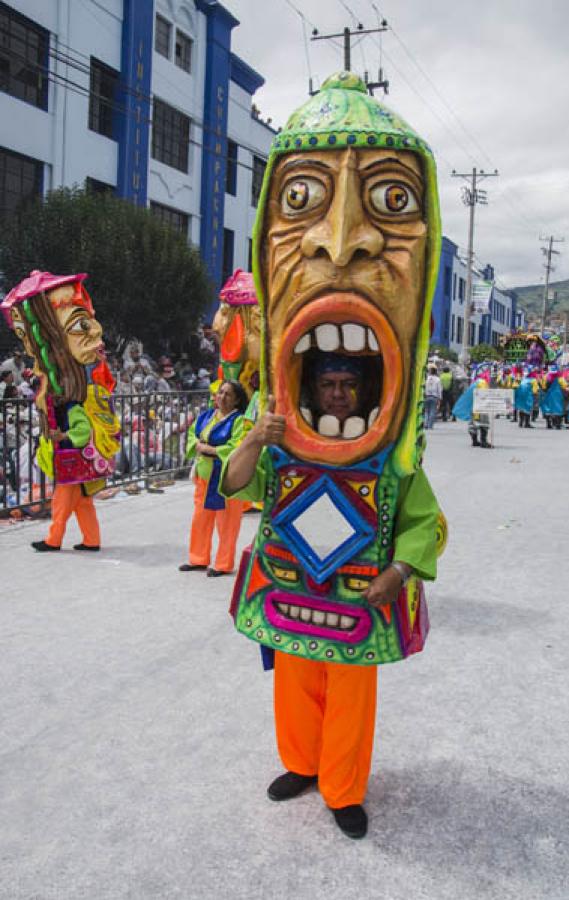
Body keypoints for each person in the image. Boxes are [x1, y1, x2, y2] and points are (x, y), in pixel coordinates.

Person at [220, 72, 441, 840]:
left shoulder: (395, 447)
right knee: (293, 684)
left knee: (350, 694)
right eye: (300, 198)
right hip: (288, 589)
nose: (338, 238)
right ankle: (303, 763)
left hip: (355, 599)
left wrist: (402, 568)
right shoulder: (272, 415)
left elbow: (424, 521)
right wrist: (254, 436)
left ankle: (344, 786)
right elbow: (233, 484)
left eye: (391, 200)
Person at [0, 270, 120, 552]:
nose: (95, 331)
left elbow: (81, 428)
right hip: (77, 456)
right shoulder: (67, 384)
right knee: (83, 501)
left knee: (64, 499)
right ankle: (92, 540)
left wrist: (60, 435)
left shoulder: (72, 397)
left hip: (71, 455)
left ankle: (54, 539)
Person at [179, 379, 250, 576]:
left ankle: (223, 564)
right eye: (220, 392)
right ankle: (198, 558)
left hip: (228, 479)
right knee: (200, 519)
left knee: (227, 522)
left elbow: (238, 446)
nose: (222, 397)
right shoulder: (206, 416)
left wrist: (209, 449)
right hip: (204, 477)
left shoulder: (239, 421)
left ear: (236, 400)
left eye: (228, 394)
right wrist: (199, 447)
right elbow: (193, 436)